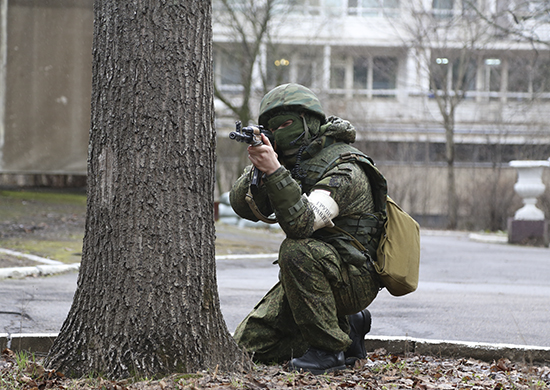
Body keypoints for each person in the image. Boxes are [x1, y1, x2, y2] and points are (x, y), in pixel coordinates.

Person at [229, 83, 388, 374]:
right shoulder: (294, 163)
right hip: (314, 276)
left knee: (295, 249)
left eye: (286, 124)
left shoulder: (345, 169)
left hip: (354, 277)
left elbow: (302, 226)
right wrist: (260, 169)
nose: (279, 133)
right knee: (247, 348)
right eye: (272, 129)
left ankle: (328, 352)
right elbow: (242, 207)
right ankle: (348, 326)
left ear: (310, 122)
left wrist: (276, 172)